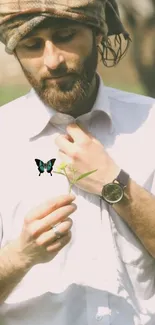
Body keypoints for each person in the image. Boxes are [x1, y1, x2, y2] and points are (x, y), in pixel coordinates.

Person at [0, 0, 155, 324]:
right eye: (32, 45)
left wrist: (117, 186)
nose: (52, 61)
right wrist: (20, 257)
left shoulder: (150, 124)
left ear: (98, 34)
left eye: (67, 36)